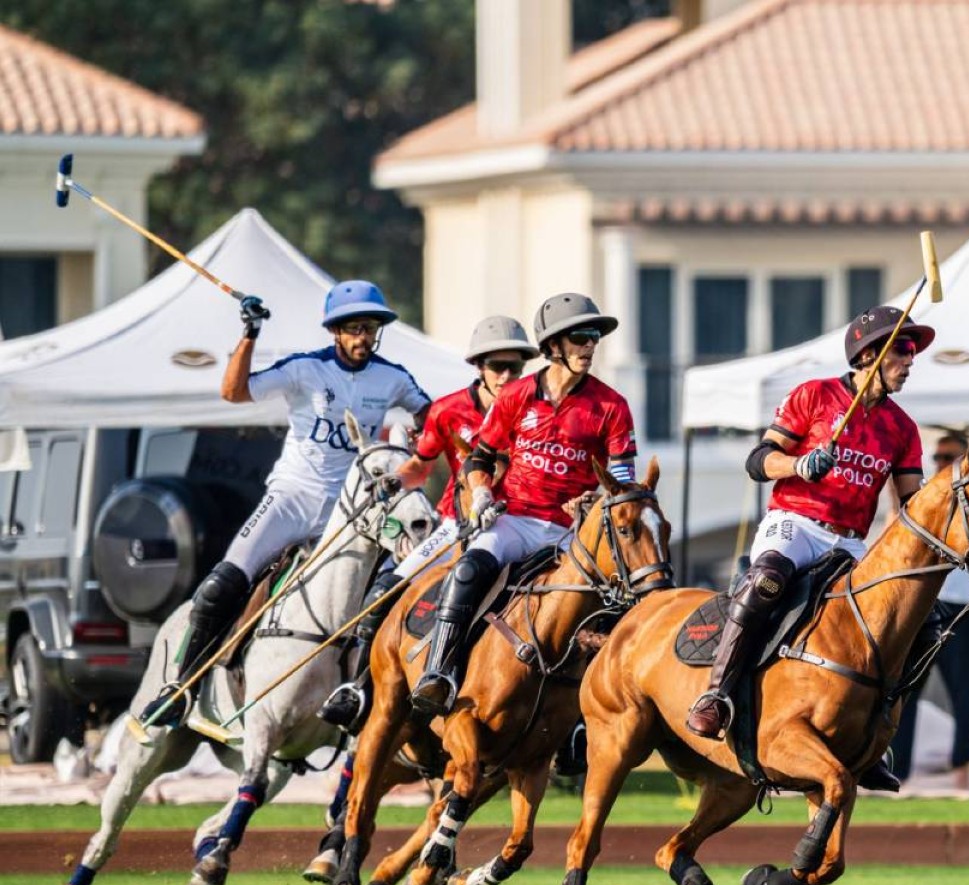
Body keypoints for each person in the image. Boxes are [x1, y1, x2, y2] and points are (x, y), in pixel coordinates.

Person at [138, 280, 431, 726]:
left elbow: (435, 418)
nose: (363, 338)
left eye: (370, 328)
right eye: (354, 329)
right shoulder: (304, 370)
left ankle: (375, 699)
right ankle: (180, 687)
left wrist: (427, 438)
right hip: (291, 498)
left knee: (392, 592)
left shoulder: (393, 378)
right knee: (221, 584)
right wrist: (250, 334)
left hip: (349, 512)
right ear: (335, 331)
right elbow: (234, 392)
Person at [685, 305, 932, 790]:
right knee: (765, 582)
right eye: (901, 350)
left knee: (922, 625)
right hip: (795, 524)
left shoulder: (902, 428)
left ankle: (875, 739)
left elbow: (912, 502)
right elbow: (758, 461)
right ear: (869, 355)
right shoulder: (814, 396)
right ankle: (715, 697)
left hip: (849, 542)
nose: (910, 361)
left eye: (911, 352)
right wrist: (800, 466)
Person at [410, 292, 636, 728]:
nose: (590, 346)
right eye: (580, 338)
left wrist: (594, 501)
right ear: (553, 346)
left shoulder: (611, 406)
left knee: (616, 604)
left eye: (594, 339)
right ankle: (440, 670)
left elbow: (622, 483)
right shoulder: (515, 396)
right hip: (516, 519)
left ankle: (595, 719)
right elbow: (479, 457)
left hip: (573, 531)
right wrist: (480, 494)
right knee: (469, 570)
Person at [317, 315, 537, 733]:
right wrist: (392, 481)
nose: (506, 375)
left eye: (515, 367)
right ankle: (359, 689)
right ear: (479, 367)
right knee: (384, 590)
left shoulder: (536, 411)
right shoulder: (449, 410)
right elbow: (421, 465)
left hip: (521, 522)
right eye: (497, 366)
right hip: (457, 521)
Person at [889, 433, 969, 789]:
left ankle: (962, 773)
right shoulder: (925, 497)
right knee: (905, 691)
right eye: (938, 457)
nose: (943, 464)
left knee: (963, 693)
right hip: (925, 605)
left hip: (961, 607)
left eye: (950, 457)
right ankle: (897, 773)